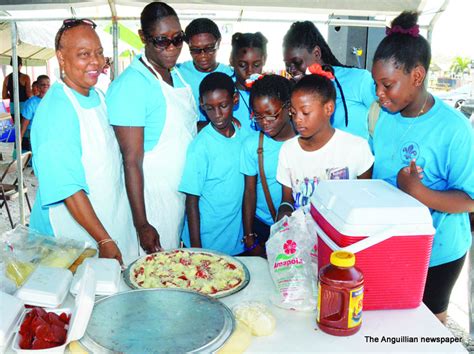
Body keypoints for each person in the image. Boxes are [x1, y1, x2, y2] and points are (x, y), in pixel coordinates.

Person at [371, 11, 474, 324]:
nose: (379, 94)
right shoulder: (385, 117)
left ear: (417, 76)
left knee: (427, 328)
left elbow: (470, 198)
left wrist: (418, 191)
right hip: (390, 242)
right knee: (389, 322)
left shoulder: (454, 129)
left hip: (437, 253)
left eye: (387, 85)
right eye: (376, 84)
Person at [30, 18, 138, 264]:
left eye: (99, 53)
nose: (95, 61)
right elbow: (68, 188)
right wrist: (104, 240)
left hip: (106, 222)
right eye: (84, 54)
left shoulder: (98, 96)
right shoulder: (56, 110)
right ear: (61, 57)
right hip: (71, 238)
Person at [107, 2, 197, 253]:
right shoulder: (132, 86)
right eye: (161, 40)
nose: (172, 48)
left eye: (178, 39)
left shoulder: (176, 75)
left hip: (175, 197)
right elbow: (131, 161)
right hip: (150, 201)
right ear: (143, 37)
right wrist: (142, 224)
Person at [276, 67, 374, 219]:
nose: (298, 119)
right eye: (293, 113)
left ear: (329, 109)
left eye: (306, 112)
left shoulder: (356, 149)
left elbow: (365, 202)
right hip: (303, 236)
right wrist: (284, 213)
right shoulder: (288, 150)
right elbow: (287, 200)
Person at [179, 72, 244, 255]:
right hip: (204, 241)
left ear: (235, 99)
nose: (217, 115)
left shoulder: (244, 138)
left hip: (235, 241)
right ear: (201, 104)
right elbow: (191, 201)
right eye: (209, 108)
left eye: (223, 106)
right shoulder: (200, 147)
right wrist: (197, 249)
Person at [283, 21, 376, 139]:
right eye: (287, 65)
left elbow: (384, 120)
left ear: (316, 53)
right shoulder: (297, 92)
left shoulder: (359, 79)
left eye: (297, 62)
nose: (291, 70)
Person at [240, 75, 296, 256]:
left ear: (288, 108)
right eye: (258, 116)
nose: (264, 122)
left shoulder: (303, 142)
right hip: (263, 225)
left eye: (271, 115)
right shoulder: (252, 145)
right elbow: (249, 192)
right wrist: (249, 235)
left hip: (301, 226)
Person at [178, 18, 233, 126]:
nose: (203, 55)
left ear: (219, 42)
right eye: (195, 50)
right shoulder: (179, 74)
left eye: (209, 48)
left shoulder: (231, 74)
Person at [230, 32, 268, 137]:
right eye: (242, 65)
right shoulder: (224, 94)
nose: (250, 71)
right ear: (232, 60)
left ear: (264, 60)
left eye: (256, 65)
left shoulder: (271, 92)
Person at [21, 75, 50, 151]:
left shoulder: (53, 100)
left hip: (48, 134)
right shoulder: (31, 103)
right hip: (34, 134)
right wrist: (20, 138)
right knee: (35, 155)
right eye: (43, 85)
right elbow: (24, 124)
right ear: (38, 87)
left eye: (48, 85)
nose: (46, 86)